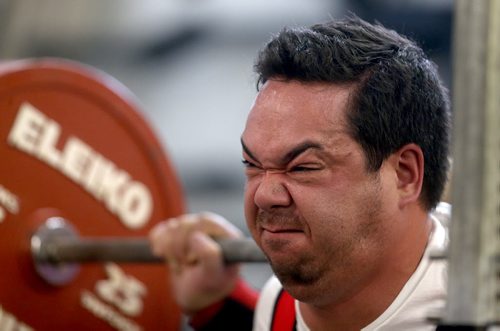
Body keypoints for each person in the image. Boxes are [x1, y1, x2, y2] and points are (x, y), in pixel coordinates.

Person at [149, 14, 451, 331]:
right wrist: (216, 305)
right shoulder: (276, 307)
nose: (265, 195)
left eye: (303, 167)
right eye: (252, 165)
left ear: (404, 175)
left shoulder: (479, 308)